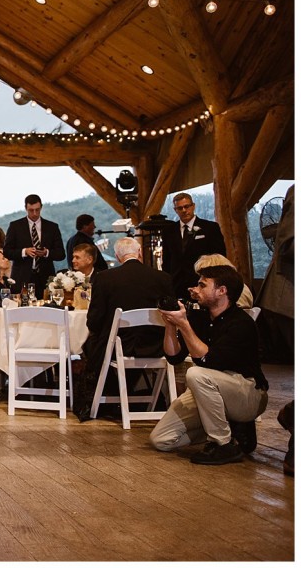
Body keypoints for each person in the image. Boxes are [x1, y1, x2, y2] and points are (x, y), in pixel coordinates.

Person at [150, 266, 268, 465]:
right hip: (210, 388)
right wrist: (171, 324)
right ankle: (230, 429)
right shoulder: (202, 318)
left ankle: (223, 444)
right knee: (161, 439)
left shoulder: (240, 323)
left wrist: (185, 325)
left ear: (221, 291)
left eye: (202, 285)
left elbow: (208, 360)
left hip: (248, 393)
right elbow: (174, 357)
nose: (195, 289)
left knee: (196, 374)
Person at [73, 236, 174, 421]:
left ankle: (107, 396)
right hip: (156, 347)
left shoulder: (105, 278)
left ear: (119, 257)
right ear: (140, 253)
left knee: (91, 344)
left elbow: (93, 321)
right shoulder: (163, 278)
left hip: (118, 348)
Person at [161, 192, 226, 300]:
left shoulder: (210, 228)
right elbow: (167, 260)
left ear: (193, 206)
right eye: (180, 208)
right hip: (177, 285)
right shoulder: (169, 231)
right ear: (175, 210)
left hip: (202, 282)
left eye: (187, 206)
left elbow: (219, 257)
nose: (184, 210)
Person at [3, 194, 64, 295]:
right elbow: (7, 252)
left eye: (37, 210)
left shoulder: (52, 227)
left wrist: (46, 253)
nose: (35, 213)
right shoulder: (15, 226)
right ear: (25, 208)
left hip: (46, 278)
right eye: (31, 210)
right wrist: (24, 252)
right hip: (21, 277)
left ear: (41, 207)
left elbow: (61, 254)